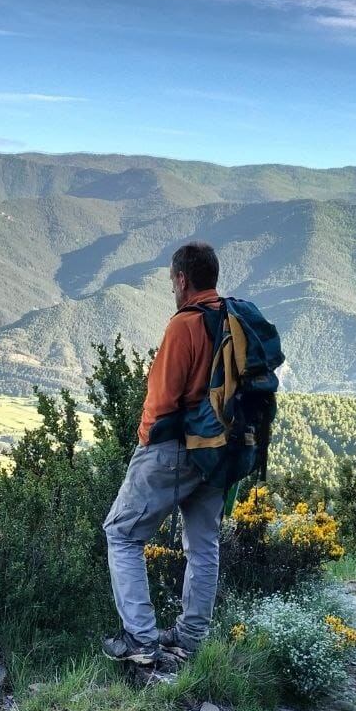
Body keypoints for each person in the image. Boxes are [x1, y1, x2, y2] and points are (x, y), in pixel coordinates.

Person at [101, 241, 227, 666]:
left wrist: (144, 445)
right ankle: (190, 640)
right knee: (204, 544)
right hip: (220, 450)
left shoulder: (184, 326)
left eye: (172, 281)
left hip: (173, 450)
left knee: (121, 533)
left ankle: (140, 641)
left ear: (181, 279)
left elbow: (161, 398)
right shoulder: (230, 319)